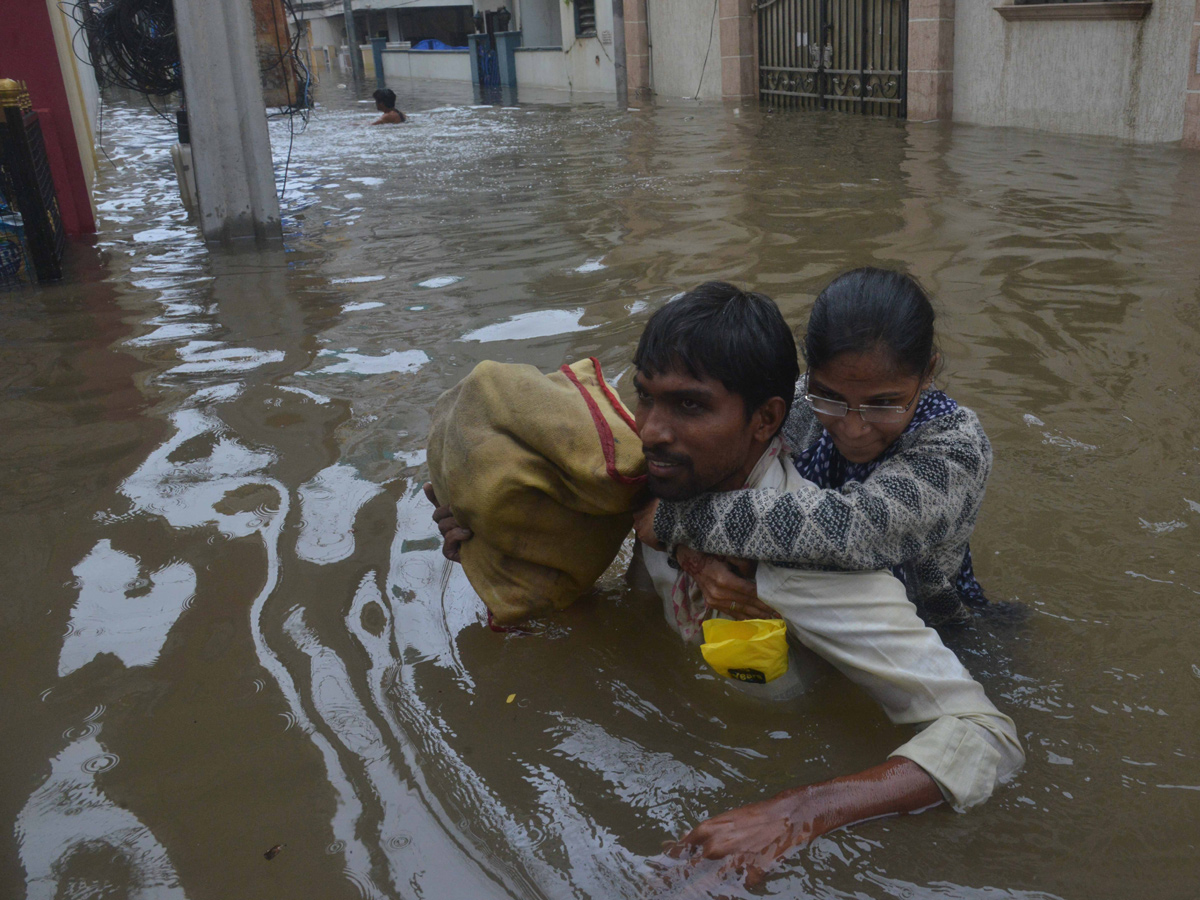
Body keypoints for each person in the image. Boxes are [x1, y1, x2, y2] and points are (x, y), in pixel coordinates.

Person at [426, 279, 1024, 880]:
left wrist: (799, 813)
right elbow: (625, 616)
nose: (652, 432)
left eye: (689, 406)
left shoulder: (821, 542)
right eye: (646, 399)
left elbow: (985, 736)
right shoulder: (675, 476)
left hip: (937, 614)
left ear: (766, 421)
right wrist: (502, 544)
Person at [637, 267, 994, 629]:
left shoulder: (955, 445)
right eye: (831, 397)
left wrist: (674, 519)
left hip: (934, 628)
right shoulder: (801, 401)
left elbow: (851, 529)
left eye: (885, 402)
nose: (854, 429)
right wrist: (689, 554)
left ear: (927, 373)